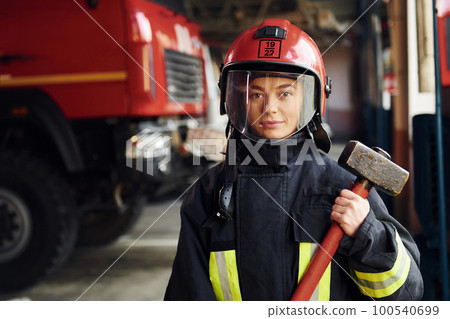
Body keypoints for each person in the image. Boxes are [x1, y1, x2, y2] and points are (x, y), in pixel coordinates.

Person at [164, 19, 423, 301]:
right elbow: (187, 296)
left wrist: (366, 233)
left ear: (311, 99)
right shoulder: (206, 193)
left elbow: (405, 296)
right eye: (255, 94)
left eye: (285, 93)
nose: (270, 109)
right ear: (234, 101)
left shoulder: (343, 190)